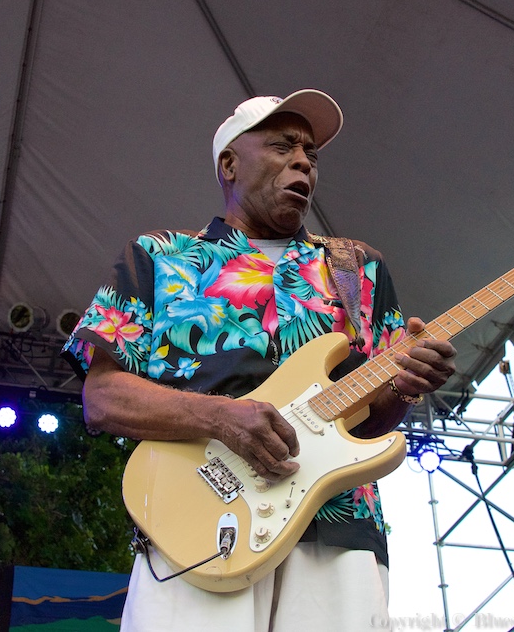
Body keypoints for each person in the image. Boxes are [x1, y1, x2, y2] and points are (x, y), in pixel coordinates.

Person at [61, 89, 457, 631]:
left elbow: (375, 421)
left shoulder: (358, 269)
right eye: (282, 146)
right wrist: (220, 417)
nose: (302, 161)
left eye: (311, 155)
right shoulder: (160, 257)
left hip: (336, 528)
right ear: (229, 164)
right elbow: (102, 399)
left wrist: (408, 386)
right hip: (195, 525)